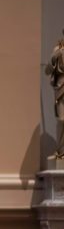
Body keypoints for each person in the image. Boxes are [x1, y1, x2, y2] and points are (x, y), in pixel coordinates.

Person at [46, 31, 64, 159]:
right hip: (61, 87)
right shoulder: (58, 49)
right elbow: (47, 70)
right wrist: (55, 57)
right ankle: (61, 151)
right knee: (62, 119)